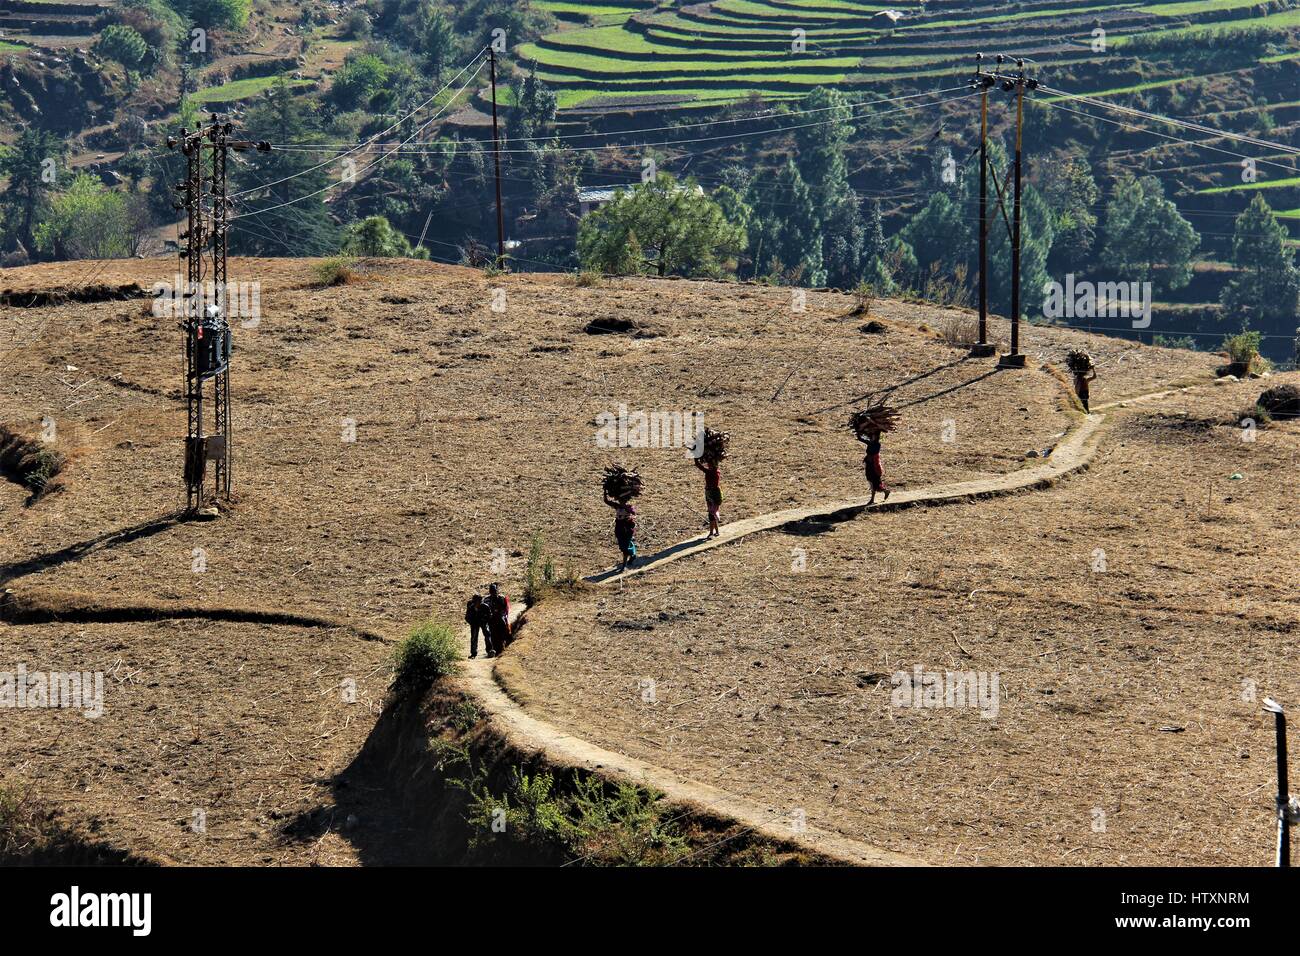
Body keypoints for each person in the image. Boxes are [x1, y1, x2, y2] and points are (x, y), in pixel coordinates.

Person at [603, 493, 638, 569]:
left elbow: (633, 512)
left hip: (627, 529)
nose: (620, 501)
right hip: (619, 528)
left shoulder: (629, 507)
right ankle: (633, 554)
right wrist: (605, 492)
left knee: (625, 547)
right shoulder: (617, 506)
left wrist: (624, 506)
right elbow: (606, 501)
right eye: (620, 500)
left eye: (622, 500)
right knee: (623, 546)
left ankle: (624, 565)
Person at [857, 428, 890, 506]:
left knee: (875, 482)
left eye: (873, 436)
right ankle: (885, 491)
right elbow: (860, 439)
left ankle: (872, 499)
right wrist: (858, 432)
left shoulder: (877, 444)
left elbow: (873, 452)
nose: (872, 437)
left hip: (874, 465)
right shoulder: (870, 442)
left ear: (876, 437)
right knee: (870, 480)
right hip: (869, 464)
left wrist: (868, 441)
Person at [694, 456, 722, 538]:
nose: (708, 465)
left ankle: (711, 533)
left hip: (712, 494)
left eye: (709, 464)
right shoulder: (716, 471)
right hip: (712, 493)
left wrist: (696, 458)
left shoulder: (711, 472)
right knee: (712, 512)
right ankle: (716, 531)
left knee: (711, 513)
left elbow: (699, 466)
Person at [487, 583, 511, 655]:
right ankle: (494, 649)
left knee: (504, 630)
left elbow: (506, 608)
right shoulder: (487, 599)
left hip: (500, 617)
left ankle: (505, 644)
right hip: (491, 619)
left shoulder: (502, 598)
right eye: (492, 591)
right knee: (492, 634)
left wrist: (501, 613)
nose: (493, 592)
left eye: (494, 590)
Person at [465, 593, 488, 659]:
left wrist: (485, 621)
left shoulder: (484, 605)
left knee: (487, 634)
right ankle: (473, 653)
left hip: (482, 621)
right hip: (474, 622)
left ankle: (489, 650)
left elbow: (489, 614)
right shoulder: (470, 605)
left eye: (479, 601)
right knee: (474, 637)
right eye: (476, 601)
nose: (478, 603)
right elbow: (467, 616)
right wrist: (471, 623)